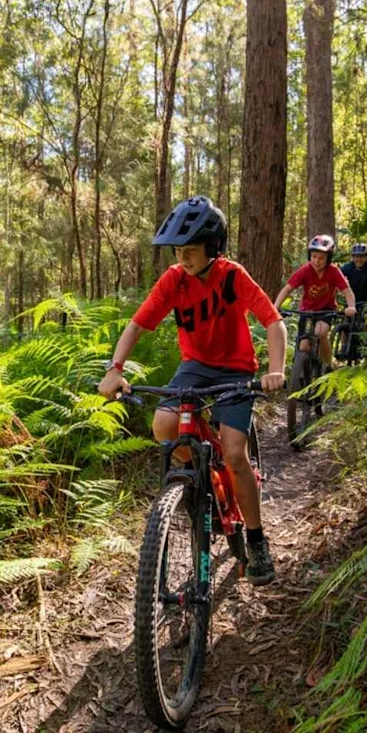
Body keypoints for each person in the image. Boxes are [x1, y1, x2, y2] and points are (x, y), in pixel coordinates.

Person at [98, 196, 287, 586]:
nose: (183, 258)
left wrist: (276, 369)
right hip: (194, 367)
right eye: (179, 251)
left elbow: (274, 322)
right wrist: (115, 370)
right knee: (165, 425)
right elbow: (136, 326)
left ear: (213, 250)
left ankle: (256, 540)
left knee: (235, 453)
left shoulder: (233, 276)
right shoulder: (173, 280)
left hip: (236, 370)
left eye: (191, 251)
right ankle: (202, 482)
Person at [273, 235, 358, 370]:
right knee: (303, 346)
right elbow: (287, 289)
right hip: (306, 310)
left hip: (326, 310)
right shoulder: (305, 270)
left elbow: (347, 291)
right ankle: (302, 374)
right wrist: (276, 307)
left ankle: (328, 363)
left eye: (321, 258)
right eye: (314, 257)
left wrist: (351, 306)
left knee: (320, 332)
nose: (317, 261)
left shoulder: (334, 272)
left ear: (328, 259)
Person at [339, 243, 367, 360]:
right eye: (356, 256)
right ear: (353, 257)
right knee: (346, 323)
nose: (358, 259)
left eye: (361, 256)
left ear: (366, 257)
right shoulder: (347, 267)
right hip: (351, 301)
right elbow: (337, 280)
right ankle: (343, 347)